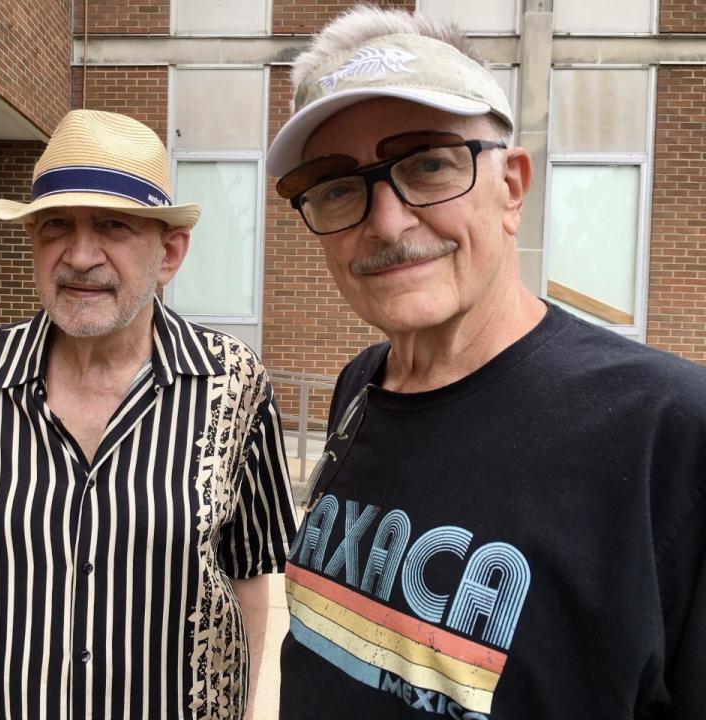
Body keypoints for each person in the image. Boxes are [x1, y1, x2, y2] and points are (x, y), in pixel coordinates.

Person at [266, 7, 705, 719]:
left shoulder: (671, 433)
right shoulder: (361, 387)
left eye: (429, 163)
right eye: (339, 185)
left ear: (511, 187)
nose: (386, 221)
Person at [0, 109, 297, 720]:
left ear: (170, 252)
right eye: (56, 226)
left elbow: (251, 577)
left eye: (114, 226)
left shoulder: (234, 385)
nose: (79, 254)